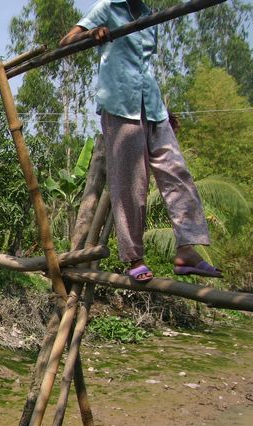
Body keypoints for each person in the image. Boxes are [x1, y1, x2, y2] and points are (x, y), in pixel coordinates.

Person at [60, 0, 221, 282]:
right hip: (121, 106)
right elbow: (66, 41)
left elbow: (143, 68)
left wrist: (164, 110)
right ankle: (134, 258)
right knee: (131, 184)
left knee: (177, 174)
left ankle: (187, 250)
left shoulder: (148, 15)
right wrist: (91, 34)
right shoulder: (108, 7)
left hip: (153, 106)